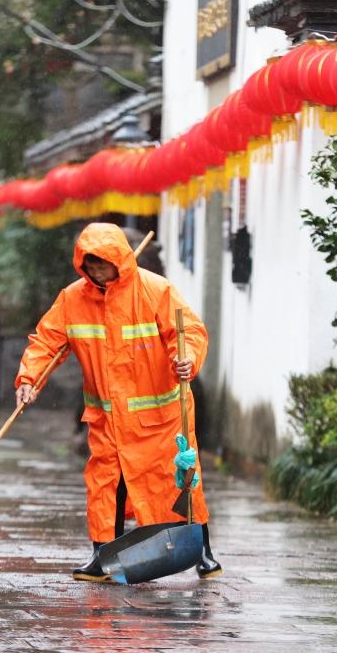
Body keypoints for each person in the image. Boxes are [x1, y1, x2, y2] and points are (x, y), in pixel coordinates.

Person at [14, 222, 221, 582]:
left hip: (162, 416)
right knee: (105, 484)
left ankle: (201, 550)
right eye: (90, 267)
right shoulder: (73, 299)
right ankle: (102, 555)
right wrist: (30, 379)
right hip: (107, 418)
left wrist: (184, 359)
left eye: (103, 266)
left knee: (181, 480)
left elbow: (187, 332)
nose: (97, 273)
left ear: (119, 260)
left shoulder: (155, 290)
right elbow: (47, 344)